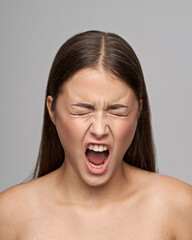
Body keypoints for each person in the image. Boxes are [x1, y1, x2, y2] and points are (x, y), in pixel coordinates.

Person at [0, 30, 191, 239]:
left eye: (117, 110)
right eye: (82, 110)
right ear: (52, 110)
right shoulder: (9, 214)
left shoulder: (180, 207)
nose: (99, 129)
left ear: (138, 112)